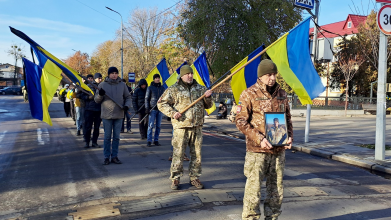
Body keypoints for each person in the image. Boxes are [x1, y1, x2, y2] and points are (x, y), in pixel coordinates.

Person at [235, 59, 293, 220]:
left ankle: (272, 217)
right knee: (253, 192)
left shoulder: (282, 94)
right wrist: (259, 139)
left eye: (274, 74)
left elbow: (287, 118)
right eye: (268, 74)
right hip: (257, 151)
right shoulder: (249, 93)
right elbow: (240, 121)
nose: (272, 78)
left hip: (278, 151)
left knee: (276, 191)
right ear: (260, 76)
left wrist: (289, 137)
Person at [158, 65, 213, 190]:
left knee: (197, 155)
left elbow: (208, 106)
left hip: (197, 126)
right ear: (182, 75)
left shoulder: (200, 88)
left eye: (191, 74)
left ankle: (195, 177)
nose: (190, 76)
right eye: (187, 74)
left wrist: (208, 97)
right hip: (181, 127)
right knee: (178, 154)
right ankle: (175, 178)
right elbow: (161, 103)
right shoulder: (174, 89)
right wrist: (173, 113)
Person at [95, 67, 132, 165]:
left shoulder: (122, 85)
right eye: (112, 73)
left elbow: (128, 97)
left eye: (116, 73)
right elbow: (96, 100)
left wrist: (127, 106)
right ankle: (106, 157)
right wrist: (100, 95)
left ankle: (114, 156)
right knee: (107, 137)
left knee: (116, 137)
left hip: (119, 114)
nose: (114, 75)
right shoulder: (102, 85)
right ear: (108, 74)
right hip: (106, 115)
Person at [80, 73, 102, 148]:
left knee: (96, 127)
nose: (100, 79)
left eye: (101, 78)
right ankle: (87, 142)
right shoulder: (88, 86)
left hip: (99, 110)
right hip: (89, 109)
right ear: (95, 79)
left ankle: (94, 142)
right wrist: (88, 97)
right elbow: (81, 96)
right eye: (99, 78)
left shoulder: (102, 86)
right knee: (88, 127)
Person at [145, 74, 165, 147]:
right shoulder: (150, 88)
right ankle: (149, 140)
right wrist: (147, 108)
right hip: (152, 109)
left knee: (158, 126)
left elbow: (165, 98)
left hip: (160, 109)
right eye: (156, 78)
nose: (157, 79)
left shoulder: (162, 88)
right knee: (150, 125)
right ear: (154, 79)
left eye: (158, 78)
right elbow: (147, 98)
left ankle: (156, 140)